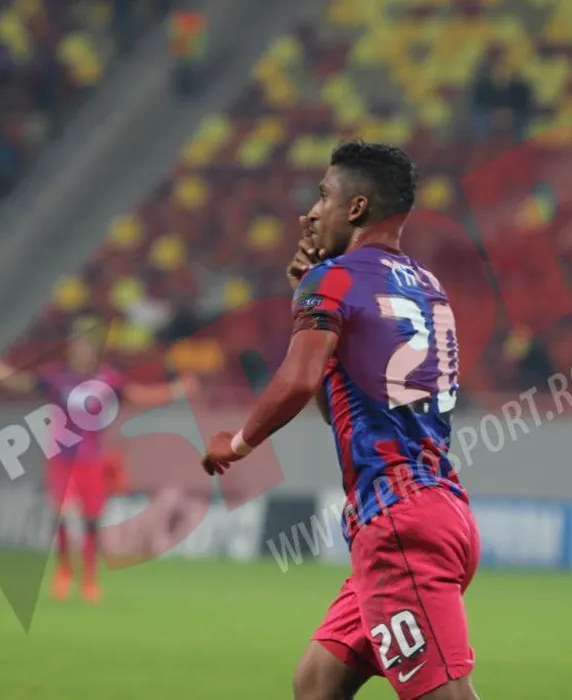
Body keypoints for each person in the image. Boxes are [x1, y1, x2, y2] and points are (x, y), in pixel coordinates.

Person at [201, 141, 481, 700]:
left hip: (398, 523)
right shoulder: (429, 287)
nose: (309, 213)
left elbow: (298, 380)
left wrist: (239, 443)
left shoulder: (332, 280)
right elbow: (342, 405)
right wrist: (315, 306)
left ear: (356, 208)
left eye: (323, 196)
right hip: (439, 508)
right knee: (318, 681)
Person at [0, 334, 198, 603]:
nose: (81, 354)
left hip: (90, 460)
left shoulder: (107, 380)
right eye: (77, 349)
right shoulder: (56, 377)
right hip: (61, 458)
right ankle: (64, 572)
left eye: (86, 350)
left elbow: (139, 395)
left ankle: (90, 579)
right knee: (64, 515)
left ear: (93, 354)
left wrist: (176, 390)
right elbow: (19, 382)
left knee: (91, 520)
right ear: (70, 352)